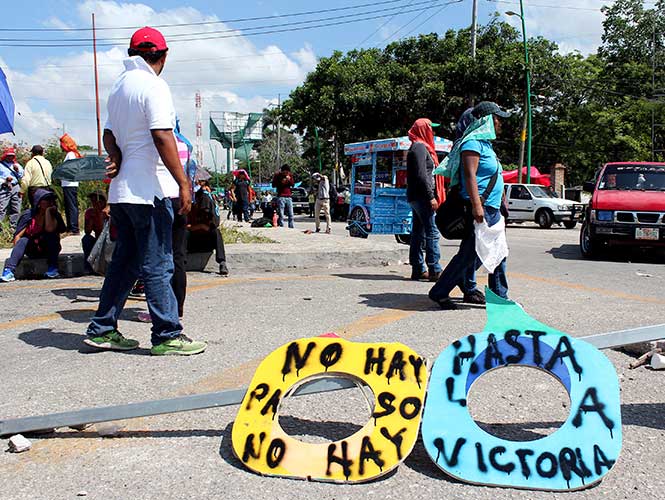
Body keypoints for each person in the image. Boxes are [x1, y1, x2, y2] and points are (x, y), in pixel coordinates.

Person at [84, 26, 206, 356]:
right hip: (150, 192)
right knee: (159, 263)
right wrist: (183, 182)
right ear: (163, 57)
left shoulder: (120, 86)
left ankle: (102, 328)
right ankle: (167, 334)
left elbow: (109, 134)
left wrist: (116, 154)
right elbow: (163, 135)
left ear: (132, 54)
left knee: (125, 263)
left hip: (122, 193)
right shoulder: (154, 86)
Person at [429, 101, 510, 309]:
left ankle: (499, 296)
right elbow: (470, 176)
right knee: (469, 255)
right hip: (479, 208)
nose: (500, 122)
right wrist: (476, 206)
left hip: (491, 209)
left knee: (499, 251)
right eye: (497, 118)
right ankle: (439, 291)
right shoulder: (472, 143)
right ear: (487, 121)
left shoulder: (486, 144)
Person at [1, 189, 65, 282]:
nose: (50, 202)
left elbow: (50, 229)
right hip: (32, 248)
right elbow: (17, 236)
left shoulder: (54, 215)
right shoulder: (28, 215)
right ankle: (9, 271)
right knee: (23, 240)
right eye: (47, 199)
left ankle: (52, 269)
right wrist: (18, 252)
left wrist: (48, 213)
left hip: (48, 248)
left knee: (51, 237)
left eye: (51, 199)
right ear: (38, 202)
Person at [406, 118, 442, 282]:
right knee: (432, 232)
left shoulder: (419, 146)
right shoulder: (420, 147)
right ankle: (434, 269)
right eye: (430, 129)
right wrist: (431, 196)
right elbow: (422, 176)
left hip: (416, 196)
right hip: (422, 197)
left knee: (418, 232)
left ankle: (418, 269)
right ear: (423, 130)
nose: (433, 132)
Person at [188, 182, 229, 276]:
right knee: (184, 233)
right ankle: (182, 262)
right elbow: (185, 227)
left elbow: (214, 224)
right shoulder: (189, 208)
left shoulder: (209, 209)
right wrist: (199, 226)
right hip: (191, 242)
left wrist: (205, 226)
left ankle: (222, 262)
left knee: (216, 232)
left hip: (206, 241)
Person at [82, 191, 109, 273]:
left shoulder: (107, 211)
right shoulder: (90, 212)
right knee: (86, 239)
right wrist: (91, 218)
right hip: (97, 240)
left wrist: (102, 216)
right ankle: (88, 267)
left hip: (107, 240)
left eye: (97, 202)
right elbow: (87, 231)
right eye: (92, 202)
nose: (95, 204)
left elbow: (103, 229)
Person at [59, 134, 82, 235]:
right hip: (68, 183)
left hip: (69, 183)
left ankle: (73, 228)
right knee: (69, 205)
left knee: (71, 206)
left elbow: (71, 168)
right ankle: (70, 227)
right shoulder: (71, 154)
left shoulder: (71, 154)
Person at [0, 147, 23, 232]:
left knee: (16, 207)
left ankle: (13, 227)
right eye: (9, 156)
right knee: (2, 208)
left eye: (12, 156)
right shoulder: (1, 165)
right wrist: (5, 181)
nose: (10, 158)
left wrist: (17, 171)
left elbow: (21, 175)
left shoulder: (16, 165)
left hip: (15, 187)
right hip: (4, 188)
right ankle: (0, 227)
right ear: (5, 156)